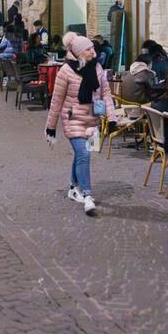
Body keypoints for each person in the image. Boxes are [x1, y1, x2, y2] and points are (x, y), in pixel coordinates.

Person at [45, 33, 117, 215]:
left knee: (82, 154)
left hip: (92, 118)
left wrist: (112, 117)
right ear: (78, 52)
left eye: (92, 48)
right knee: (84, 153)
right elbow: (56, 100)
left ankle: (73, 186)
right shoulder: (66, 71)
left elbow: (105, 94)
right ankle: (87, 195)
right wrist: (50, 127)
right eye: (88, 49)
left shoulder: (98, 68)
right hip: (73, 118)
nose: (93, 52)